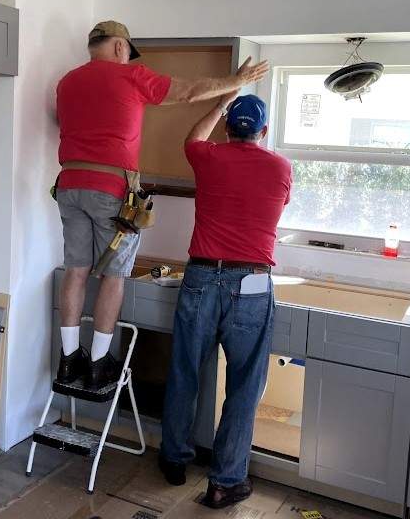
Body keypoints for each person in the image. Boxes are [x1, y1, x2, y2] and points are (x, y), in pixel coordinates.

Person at [55, 20, 270, 389]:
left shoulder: (67, 81)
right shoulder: (131, 76)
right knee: (113, 274)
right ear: (121, 47)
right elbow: (188, 91)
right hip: (110, 188)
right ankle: (98, 362)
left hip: (69, 184)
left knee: (76, 270)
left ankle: (68, 358)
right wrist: (235, 82)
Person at [159, 92, 293, 509]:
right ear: (264, 131)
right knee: (244, 385)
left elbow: (192, 137)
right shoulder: (281, 168)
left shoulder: (209, 157)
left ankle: (174, 460)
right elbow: (278, 204)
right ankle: (225, 481)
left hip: (201, 276)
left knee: (185, 371)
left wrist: (219, 103)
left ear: (227, 127)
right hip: (252, 282)